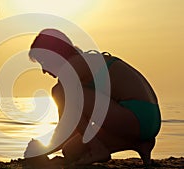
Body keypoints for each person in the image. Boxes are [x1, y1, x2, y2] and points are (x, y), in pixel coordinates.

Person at [25, 29, 161, 167]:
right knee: (71, 151)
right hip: (147, 120)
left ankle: (98, 149)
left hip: (137, 115)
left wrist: (41, 150)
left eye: (42, 61)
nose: (43, 70)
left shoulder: (73, 68)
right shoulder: (82, 63)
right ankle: (139, 143)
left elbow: (66, 127)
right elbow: (71, 130)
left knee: (59, 92)